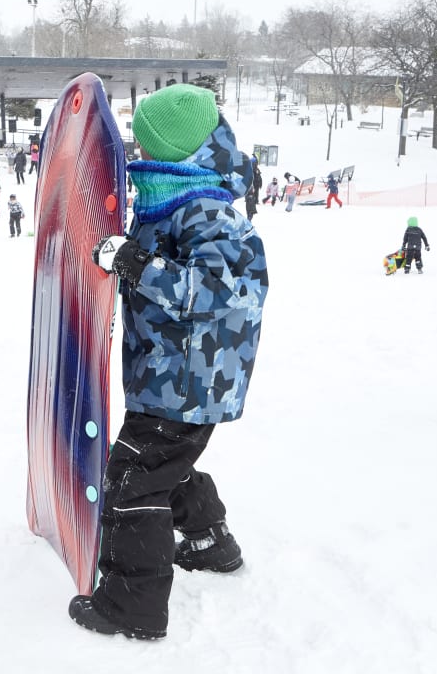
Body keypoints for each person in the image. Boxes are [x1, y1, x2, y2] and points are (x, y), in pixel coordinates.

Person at [77, 83, 268, 640]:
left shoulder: (210, 213)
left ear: (177, 153)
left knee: (134, 481)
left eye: (148, 148)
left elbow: (219, 292)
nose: (141, 157)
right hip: (170, 375)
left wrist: (137, 264)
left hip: (189, 382)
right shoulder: (171, 201)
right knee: (163, 465)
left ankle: (130, 608)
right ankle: (211, 543)